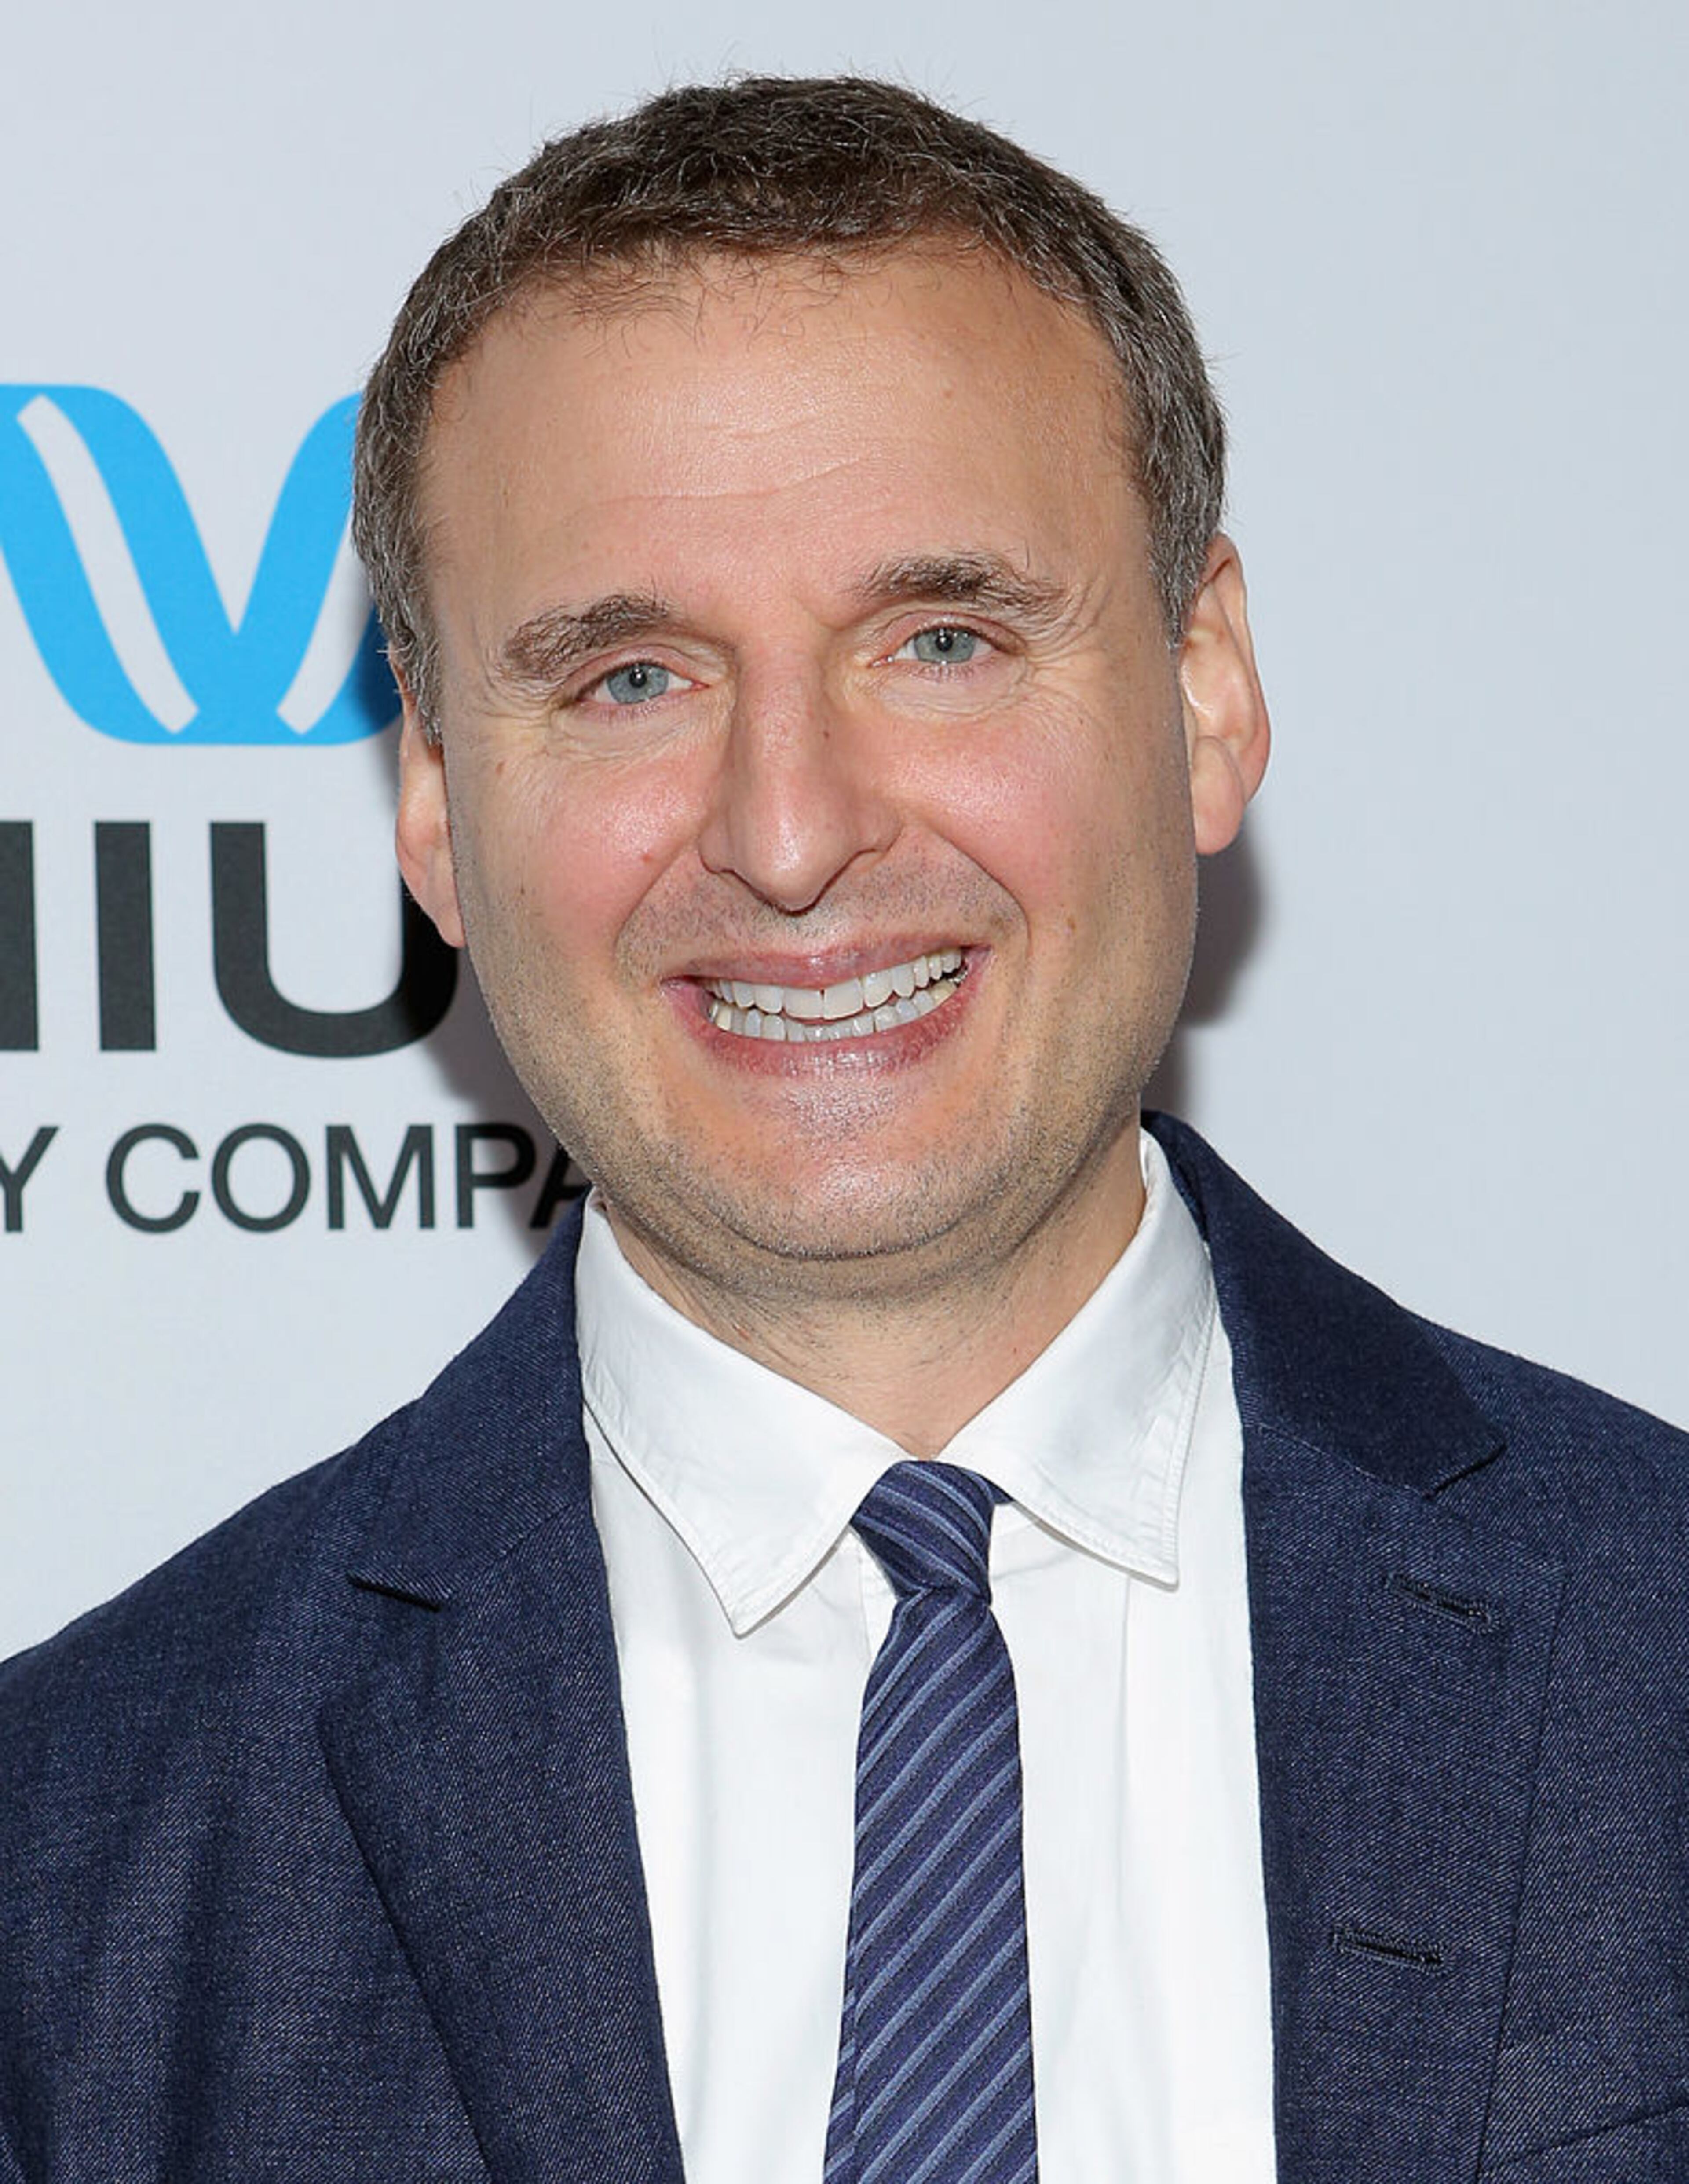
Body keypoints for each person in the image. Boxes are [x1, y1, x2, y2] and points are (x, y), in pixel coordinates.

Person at [3, 74, 1686, 2184]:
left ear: (1206, 690)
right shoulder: (68, 1872)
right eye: (631, 679)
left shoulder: (1653, 1640)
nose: (791, 835)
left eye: (943, 641)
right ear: (434, 799)